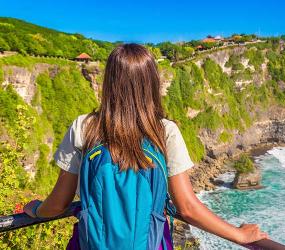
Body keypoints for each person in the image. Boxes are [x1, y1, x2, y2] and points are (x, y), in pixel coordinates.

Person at [24, 44, 268, 249]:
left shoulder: (84, 127)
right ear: (152, 83)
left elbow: (58, 203)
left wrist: (35, 210)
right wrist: (240, 235)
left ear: (109, 81)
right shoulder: (164, 131)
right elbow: (187, 207)